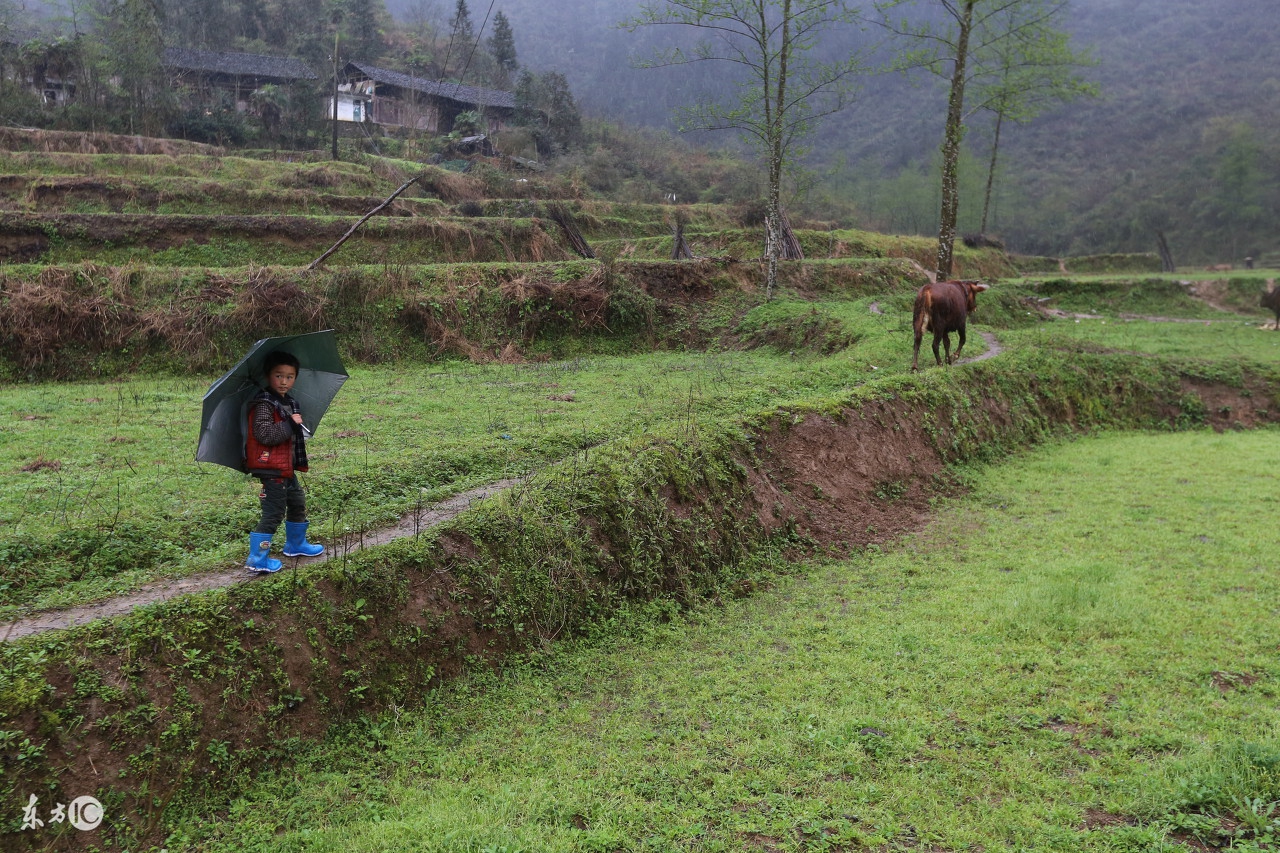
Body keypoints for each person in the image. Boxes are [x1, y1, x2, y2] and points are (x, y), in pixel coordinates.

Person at [243, 351, 324, 572]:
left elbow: (292, 433)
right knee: (274, 512)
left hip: (286, 467)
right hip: (271, 469)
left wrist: (297, 427)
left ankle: (295, 544)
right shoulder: (264, 404)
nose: (284, 381)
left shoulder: (291, 402)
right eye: (279, 376)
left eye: (290, 376)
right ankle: (258, 558)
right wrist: (290, 424)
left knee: (297, 502)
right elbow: (264, 434)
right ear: (268, 375)